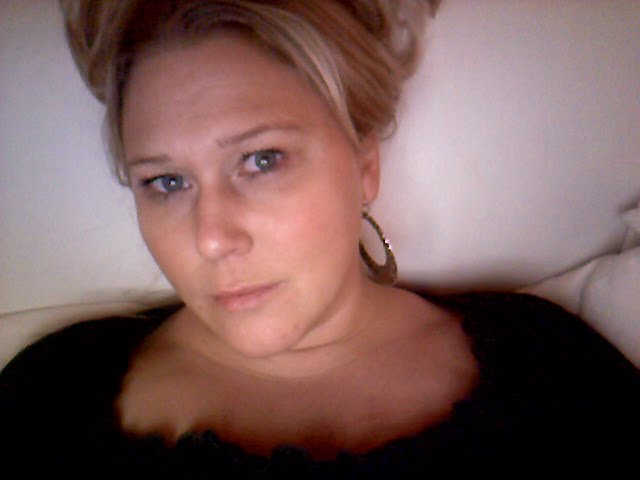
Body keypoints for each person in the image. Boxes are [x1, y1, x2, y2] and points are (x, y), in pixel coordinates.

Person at [1, 1, 638, 478]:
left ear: (364, 166)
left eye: (262, 160)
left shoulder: (548, 370)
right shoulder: (50, 399)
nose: (212, 238)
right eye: (166, 182)